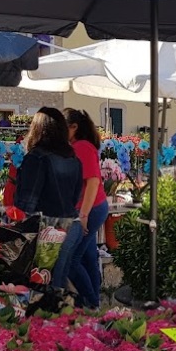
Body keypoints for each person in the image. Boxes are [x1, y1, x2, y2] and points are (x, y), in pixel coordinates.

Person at [13, 107, 84, 295]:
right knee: (57, 289)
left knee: (39, 293)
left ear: (37, 128)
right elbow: (76, 196)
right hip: (71, 226)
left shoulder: (37, 158)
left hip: (47, 231)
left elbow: (26, 204)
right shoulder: (73, 159)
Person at [64, 108, 109, 309]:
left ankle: (91, 303)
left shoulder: (82, 147)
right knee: (88, 256)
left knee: (70, 260)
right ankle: (93, 301)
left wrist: (83, 215)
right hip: (91, 208)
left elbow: (92, 182)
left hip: (90, 209)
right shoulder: (78, 146)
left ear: (74, 127)